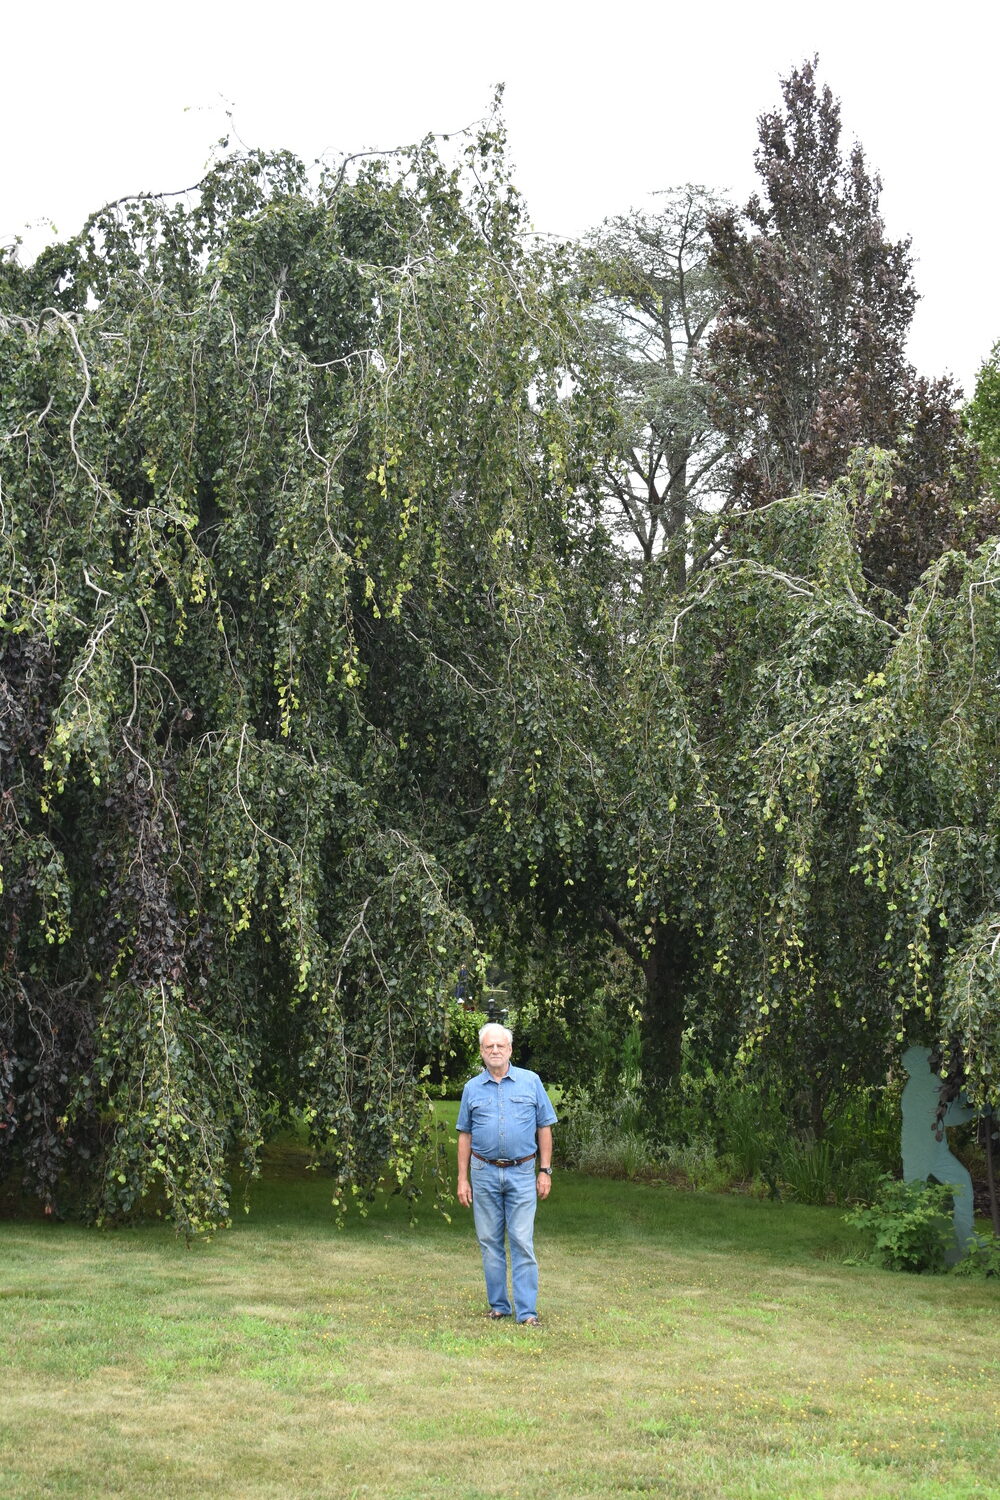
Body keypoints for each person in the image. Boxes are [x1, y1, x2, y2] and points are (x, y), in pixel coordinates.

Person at [456, 1022, 557, 1325]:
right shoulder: (472, 1088)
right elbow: (464, 1135)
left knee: (522, 1241)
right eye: (489, 1046)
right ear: (482, 1052)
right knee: (489, 1242)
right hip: (483, 1173)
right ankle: (499, 1305)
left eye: (501, 1045)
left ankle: (527, 1313)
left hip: (523, 1173)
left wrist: (545, 1170)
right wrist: (462, 1178)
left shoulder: (531, 1082)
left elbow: (545, 1127)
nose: (495, 1050)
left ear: (510, 1049)